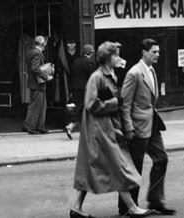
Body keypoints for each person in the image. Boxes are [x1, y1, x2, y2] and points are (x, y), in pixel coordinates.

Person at [70, 41, 153, 218]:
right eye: (115, 55)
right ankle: (131, 207)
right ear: (107, 58)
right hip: (98, 130)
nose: (118, 58)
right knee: (118, 167)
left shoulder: (110, 75)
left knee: (92, 169)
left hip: (105, 128)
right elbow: (90, 103)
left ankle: (76, 207)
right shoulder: (97, 77)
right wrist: (115, 103)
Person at [119, 39, 176, 216]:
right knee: (135, 168)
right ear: (144, 52)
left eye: (158, 51)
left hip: (152, 125)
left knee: (161, 159)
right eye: (154, 51)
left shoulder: (151, 70)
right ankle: (128, 207)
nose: (158, 54)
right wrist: (128, 128)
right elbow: (125, 104)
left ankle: (156, 200)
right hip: (138, 127)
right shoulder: (134, 73)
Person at [65, 44, 96, 139]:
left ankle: (72, 126)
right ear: (91, 53)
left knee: (79, 107)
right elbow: (92, 78)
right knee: (85, 108)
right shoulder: (90, 63)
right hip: (85, 89)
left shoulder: (76, 62)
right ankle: (75, 127)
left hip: (75, 88)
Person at [23, 35, 50, 135]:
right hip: (37, 84)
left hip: (34, 83)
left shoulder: (32, 52)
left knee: (40, 105)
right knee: (37, 106)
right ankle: (31, 127)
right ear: (42, 44)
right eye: (44, 43)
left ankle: (38, 126)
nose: (45, 45)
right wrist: (46, 75)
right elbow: (35, 68)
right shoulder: (37, 53)